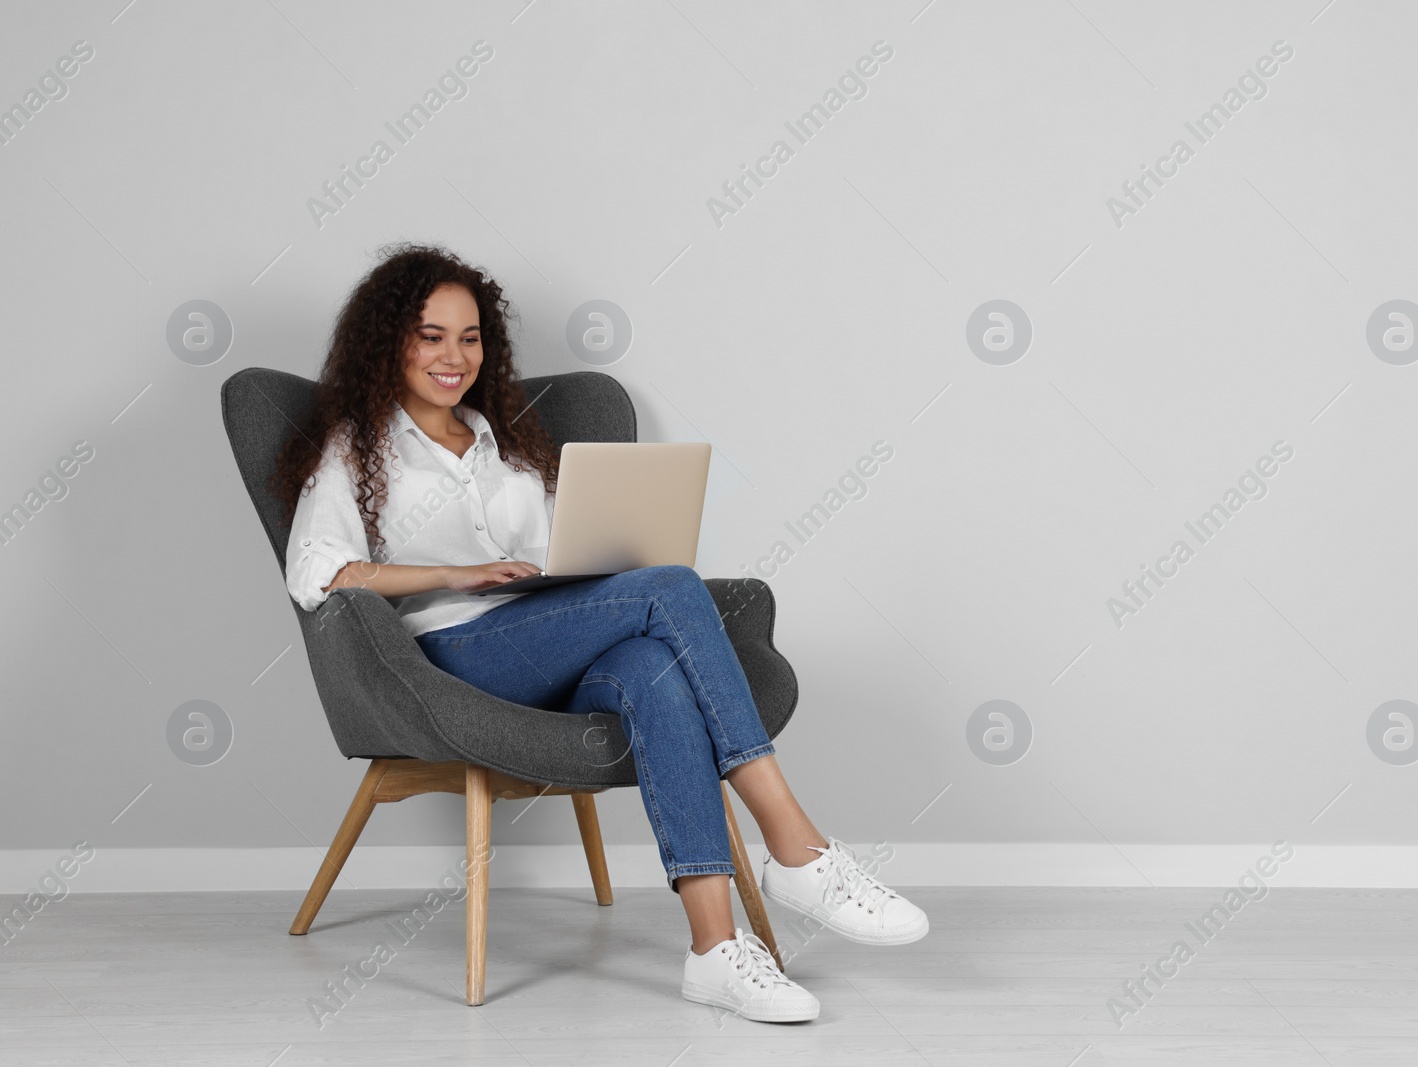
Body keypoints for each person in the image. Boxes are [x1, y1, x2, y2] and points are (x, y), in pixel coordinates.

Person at [270, 243, 927, 1023]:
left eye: (470, 336)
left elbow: (565, 552)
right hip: (454, 655)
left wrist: (587, 564)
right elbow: (319, 572)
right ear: (390, 343)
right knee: (673, 590)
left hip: (546, 631)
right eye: (431, 335)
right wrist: (456, 574)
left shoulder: (503, 440)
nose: (455, 356)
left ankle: (715, 949)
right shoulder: (358, 447)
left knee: (653, 663)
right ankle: (797, 845)